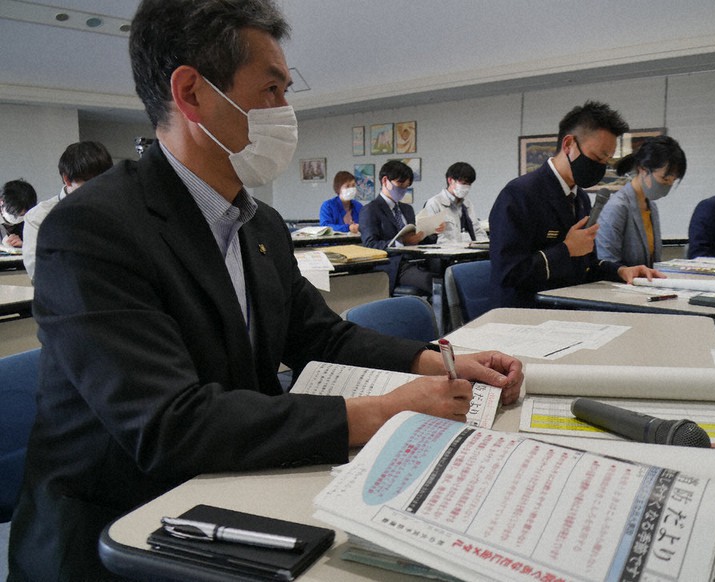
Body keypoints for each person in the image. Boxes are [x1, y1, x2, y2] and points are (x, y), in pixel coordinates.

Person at [7, 1, 523, 579]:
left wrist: (436, 361)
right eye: (271, 89)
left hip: (233, 487)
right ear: (191, 92)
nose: (286, 111)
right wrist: (378, 413)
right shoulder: (91, 230)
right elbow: (171, 425)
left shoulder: (259, 224)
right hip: (119, 530)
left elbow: (316, 333)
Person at [489, 101, 662, 309]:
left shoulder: (580, 197)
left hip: (567, 308)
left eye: (606, 161)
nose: (599, 168)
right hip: (524, 315)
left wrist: (620, 271)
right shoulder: (519, 194)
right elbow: (508, 273)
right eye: (596, 157)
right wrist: (566, 249)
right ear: (569, 144)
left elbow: (585, 265)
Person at [22, 141, 113, 281]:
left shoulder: (113, 210)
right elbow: (39, 272)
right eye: (90, 183)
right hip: (65, 295)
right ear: (67, 179)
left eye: (103, 181)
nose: (98, 189)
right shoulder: (39, 217)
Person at [596, 136, 687, 267]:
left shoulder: (651, 207)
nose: (668, 185)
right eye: (665, 179)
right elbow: (607, 263)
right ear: (643, 170)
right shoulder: (617, 207)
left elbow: (653, 260)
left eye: (673, 181)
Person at [359, 160, 441, 294]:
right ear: (385, 181)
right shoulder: (370, 210)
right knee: (433, 282)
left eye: (406, 186)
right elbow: (370, 245)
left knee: (449, 273)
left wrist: (431, 232)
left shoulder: (407, 209)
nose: (403, 190)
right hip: (393, 265)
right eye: (400, 184)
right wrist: (401, 242)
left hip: (417, 260)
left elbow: (415, 239)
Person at [420, 161, 488, 245]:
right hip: (445, 254)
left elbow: (477, 230)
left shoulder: (467, 204)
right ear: (450, 180)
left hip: (467, 252)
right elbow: (428, 237)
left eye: (469, 184)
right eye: (463, 183)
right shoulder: (435, 203)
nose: (466, 187)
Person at [0, 179, 37, 249]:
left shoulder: (32, 222)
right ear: (1, 202)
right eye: (13, 213)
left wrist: (24, 245)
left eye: (22, 215)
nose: (17, 218)